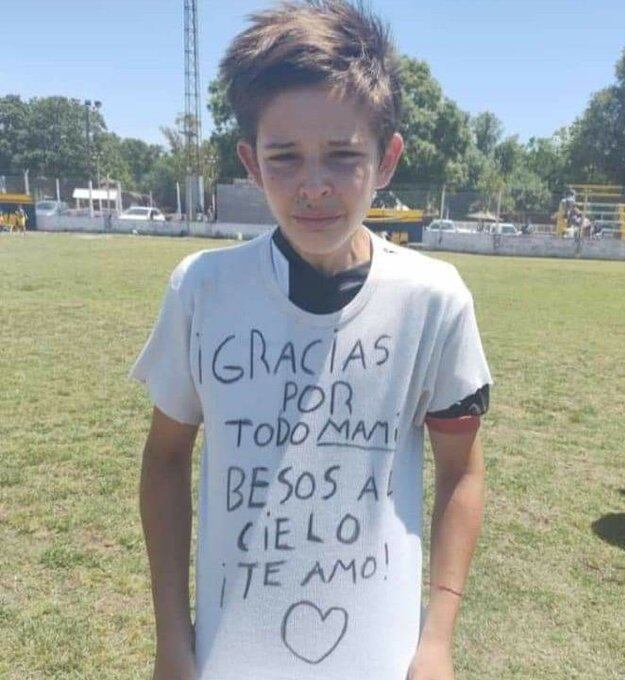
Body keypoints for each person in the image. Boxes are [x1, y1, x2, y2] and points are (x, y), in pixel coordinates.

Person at [129, 2, 492, 679]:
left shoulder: (434, 300)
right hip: (227, 658)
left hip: (379, 660)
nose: (314, 184)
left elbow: (462, 471)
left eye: (343, 155)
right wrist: (172, 641)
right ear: (252, 163)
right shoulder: (201, 290)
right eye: (285, 157)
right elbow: (166, 462)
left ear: (386, 159)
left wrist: (437, 638)